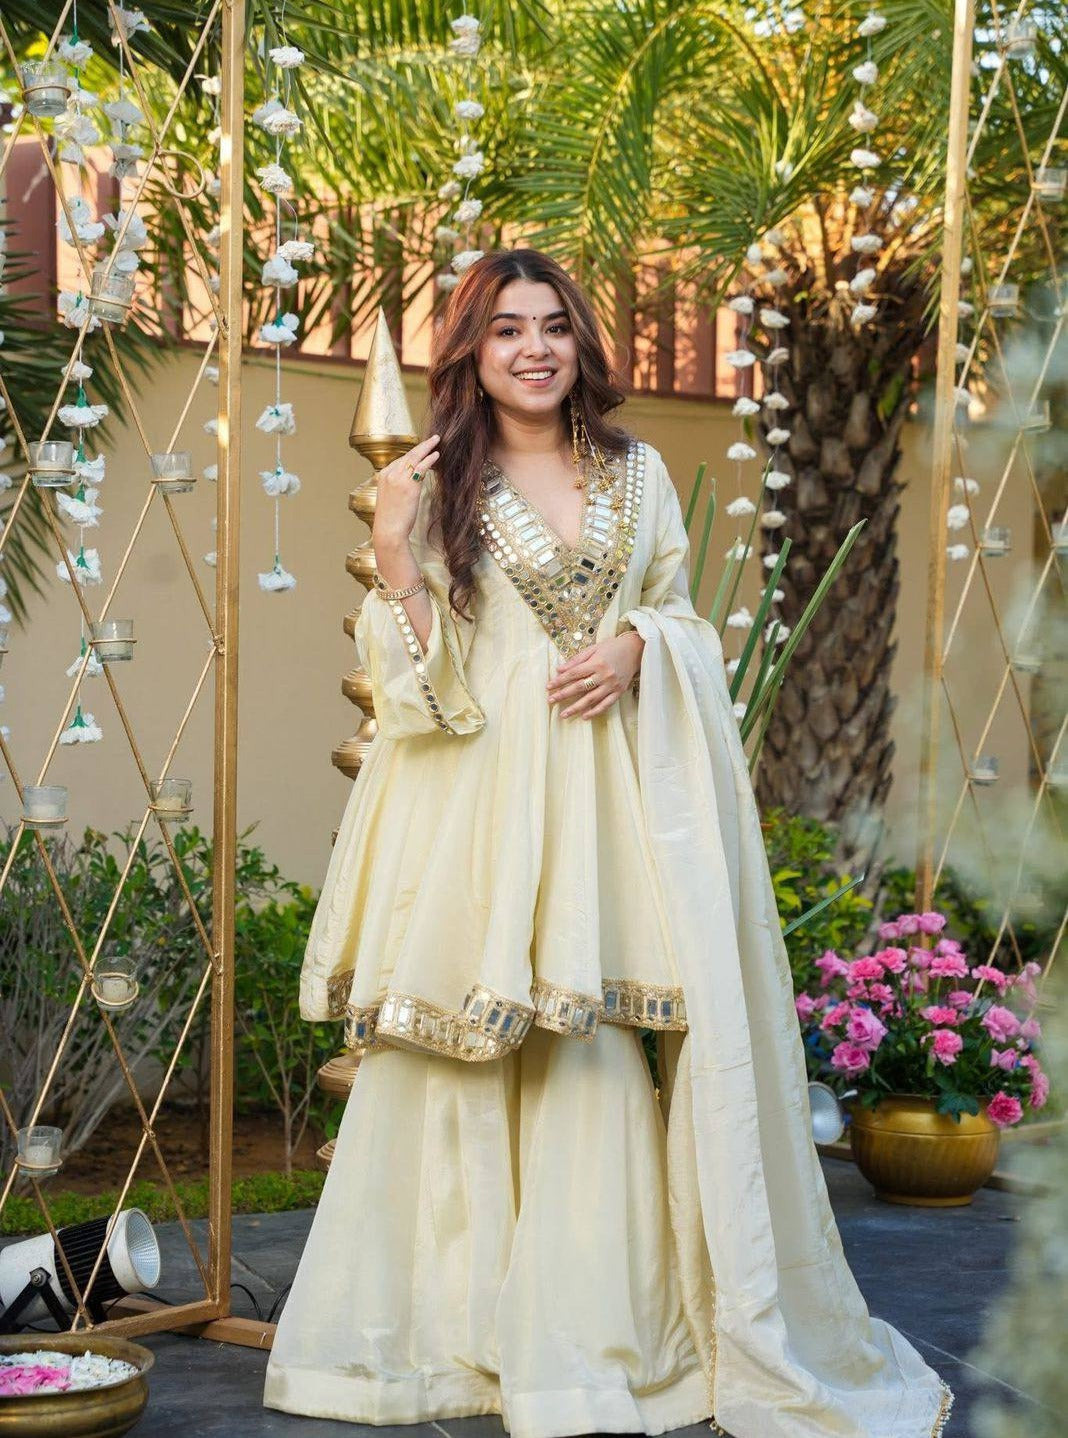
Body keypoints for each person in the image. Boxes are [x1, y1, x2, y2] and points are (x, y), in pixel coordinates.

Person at [263, 247, 953, 1438]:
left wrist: (641, 646)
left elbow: (679, 612)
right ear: (472, 353)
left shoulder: (636, 473)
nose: (534, 348)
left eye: (554, 326)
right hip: (479, 796)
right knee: (459, 1058)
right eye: (506, 329)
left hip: (602, 798)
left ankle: (583, 1351)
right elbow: (419, 691)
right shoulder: (438, 480)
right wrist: (396, 551)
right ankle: (436, 1350)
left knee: (587, 1054)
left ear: (580, 344)